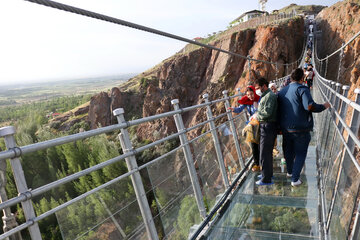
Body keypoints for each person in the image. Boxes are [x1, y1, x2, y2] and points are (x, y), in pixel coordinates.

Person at [277, 68, 330, 186]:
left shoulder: (282, 91)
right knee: (300, 153)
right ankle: (295, 179)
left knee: (288, 152)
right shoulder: (302, 89)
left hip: (286, 128)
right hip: (301, 128)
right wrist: (324, 106)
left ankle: (290, 172)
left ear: (291, 78)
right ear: (302, 78)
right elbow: (310, 107)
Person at [229, 86, 261, 172]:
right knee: (254, 145)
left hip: (261, 124)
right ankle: (257, 163)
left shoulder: (259, 99)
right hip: (252, 126)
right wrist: (233, 109)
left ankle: (263, 162)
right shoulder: (246, 101)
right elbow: (239, 108)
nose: (250, 96)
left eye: (251, 94)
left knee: (261, 144)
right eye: (248, 95)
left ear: (254, 92)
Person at [253, 78, 278, 185]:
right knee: (265, 151)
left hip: (268, 126)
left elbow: (266, 113)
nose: (257, 90)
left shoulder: (269, 96)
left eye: (258, 88)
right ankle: (267, 173)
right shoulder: (266, 96)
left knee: (264, 153)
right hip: (266, 126)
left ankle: (266, 179)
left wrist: (256, 116)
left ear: (264, 86)